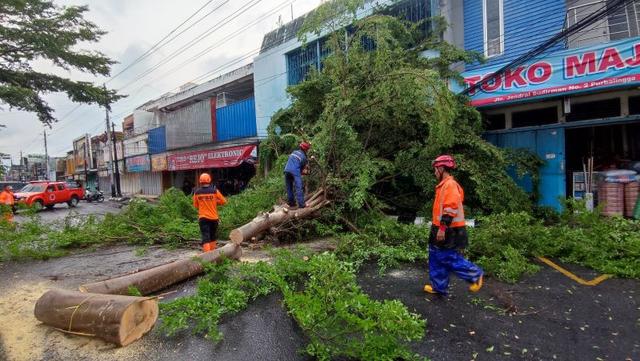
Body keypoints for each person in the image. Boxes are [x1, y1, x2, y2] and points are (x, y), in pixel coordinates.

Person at [424, 155, 483, 295]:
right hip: (440, 228)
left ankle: (475, 274)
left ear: (442, 168)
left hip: (449, 230)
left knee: (446, 257)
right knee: (435, 256)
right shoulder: (442, 186)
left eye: (435, 169)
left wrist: (442, 228)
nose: (434, 172)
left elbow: (450, 208)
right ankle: (439, 287)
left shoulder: (450, 185)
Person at [193, 173, 226, 252]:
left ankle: (207, 255)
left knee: (205, 236)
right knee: (213, 236)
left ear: (200, 181)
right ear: (209, 180)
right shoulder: (215, 191)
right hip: (214, 218)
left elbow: (195, 206)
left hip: (203, 218)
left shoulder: (197, 192)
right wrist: (214, 202)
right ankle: (212, 255)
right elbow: (224, 201)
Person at [284, 141, 311, 209]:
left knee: (289, 187)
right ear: (306, 150)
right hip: (295, 171)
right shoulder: (304, 158)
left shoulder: (294, 152)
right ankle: (302, 204)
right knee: (299, 187)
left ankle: (291, 203)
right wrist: (305, 173)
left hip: (287, 170)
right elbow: (301, 170)